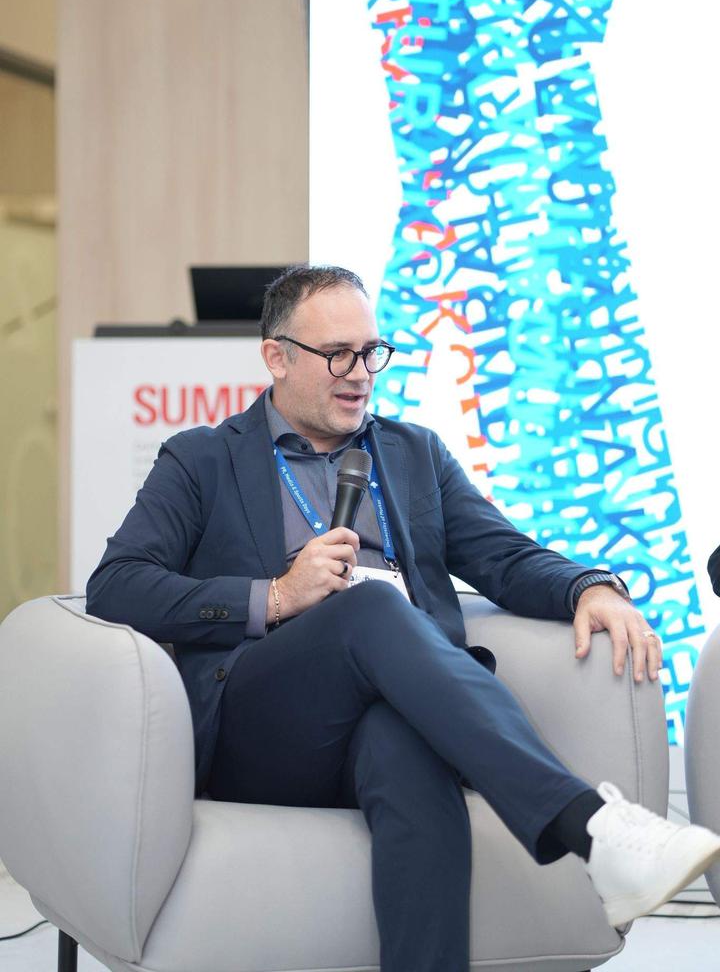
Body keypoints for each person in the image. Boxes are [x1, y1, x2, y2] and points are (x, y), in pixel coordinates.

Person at [87, 264, 720, 972]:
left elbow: (504, 555)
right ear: (277, 357)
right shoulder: (203, 458)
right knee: (369, 607)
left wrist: (588, 587)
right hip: (264, 726)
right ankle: (592, 829)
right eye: (337, 355)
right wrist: (276, 596)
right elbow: (116, 585)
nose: (360, 374)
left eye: (371, 352)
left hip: (394, 707)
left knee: (405, 748)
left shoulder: (414, 453)